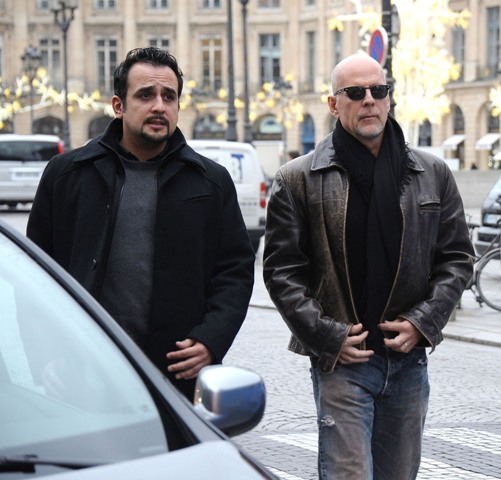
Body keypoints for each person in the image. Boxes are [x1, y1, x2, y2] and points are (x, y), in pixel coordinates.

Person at [263, 53, 474, 479]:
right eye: (355, 93)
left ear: (389, 98)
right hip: (344, 363)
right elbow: (282, 273)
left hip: (407, 360)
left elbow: (457, 258)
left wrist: (423, 322)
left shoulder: (431, 172)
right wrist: (328, 336)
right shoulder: (298, 179)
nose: (369, 101)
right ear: (333, 103)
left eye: (379, 90)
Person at [27, 47, 255, 401]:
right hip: (82, 369)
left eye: (169, 96)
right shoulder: (67, 175)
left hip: (176, 372)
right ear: (119, 106)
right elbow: (36, 277)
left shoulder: (210, 181)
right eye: (146, 95)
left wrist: (211, 339)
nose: (159, 106)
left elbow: (235, 271)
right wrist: (45, 355)